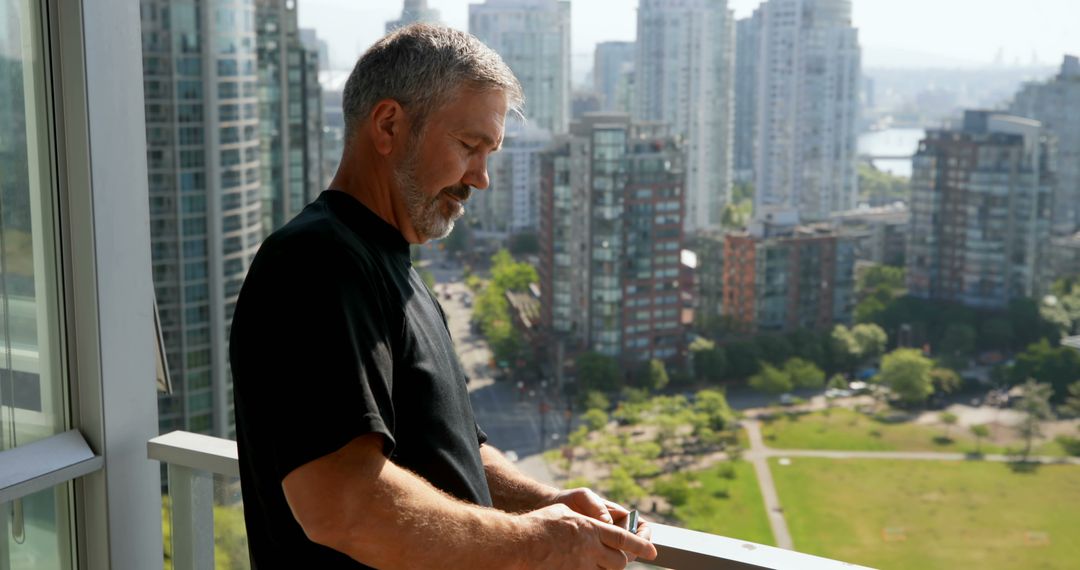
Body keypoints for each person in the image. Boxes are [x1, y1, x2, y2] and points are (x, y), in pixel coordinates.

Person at [229, 24, 657, 569]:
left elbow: (451, 453)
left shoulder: (393, 268)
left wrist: (546, 504)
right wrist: (538, 542)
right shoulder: (316, 263)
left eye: (490, 153)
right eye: (469, 146)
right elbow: (342, 505)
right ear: (388, 125)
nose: (481, 179)